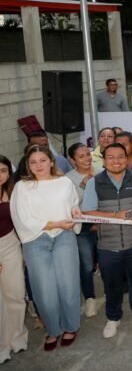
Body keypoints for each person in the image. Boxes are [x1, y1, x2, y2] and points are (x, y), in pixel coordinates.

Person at [81, 142, 132, 338]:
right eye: (111, 157)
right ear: (104, 161)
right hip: (108, 244)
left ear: (127, 159)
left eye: (120, 157)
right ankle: (113, 317)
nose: (116, 161)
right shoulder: (94, 182)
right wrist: (115, 216)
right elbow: (88, 211)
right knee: (111, 284)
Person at [10, 145, 81, 351]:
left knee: (68, 283)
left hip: (64, 236)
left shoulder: (65, 182)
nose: (38, 165)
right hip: (36, 239)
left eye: (42, 160)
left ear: (51, 161)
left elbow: (73, 205)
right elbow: (22, 218)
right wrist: (56, 223)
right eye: (33, 162)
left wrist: (75, 211)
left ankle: (71, 326)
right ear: (28, 165)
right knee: (44, 288)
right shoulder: (22, 187)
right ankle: (52, 329)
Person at [65, 143, 100, 318]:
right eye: (81, 156)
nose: (86, 159)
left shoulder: (100, 172)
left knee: (106, 261)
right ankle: (90, 298)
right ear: (72, 161)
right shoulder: (67, 180)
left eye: (88, 154)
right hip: (82, 227)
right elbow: (69, 206)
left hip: (103, 223)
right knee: (86, 264)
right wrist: (83, 187)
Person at [0, 156, 27, 362]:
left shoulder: (13, 191)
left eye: (3, 170)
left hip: (11, 244)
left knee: (16, 293)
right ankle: (2, 346)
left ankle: (17, 338)